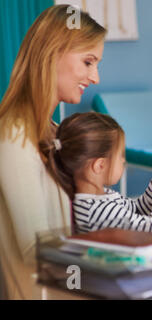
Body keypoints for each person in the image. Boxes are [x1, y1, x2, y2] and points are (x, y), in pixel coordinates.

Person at [0, 5, 99, 299]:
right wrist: (119, 260)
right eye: (88, 62)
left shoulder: (50, 129)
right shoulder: (13, 135)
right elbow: (36, 248)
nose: (95, 77)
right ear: (53, 53)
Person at [43, 112, 152, 234]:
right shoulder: (96, 210)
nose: (123, 161)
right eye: (120, 156)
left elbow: (138, 211)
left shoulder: (99, 199)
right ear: (100, 165)